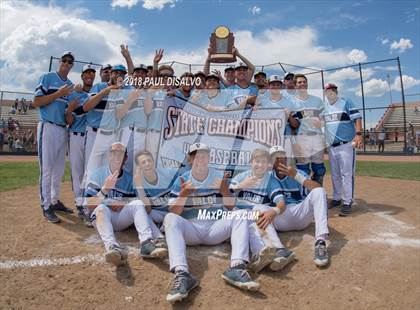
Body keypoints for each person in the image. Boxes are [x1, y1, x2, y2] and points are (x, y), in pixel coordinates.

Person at [164, 143, 260, 303]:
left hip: (214, 228)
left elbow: (230, 206)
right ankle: (181, 274)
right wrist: (184, 195)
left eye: (203, 156)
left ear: (208, 158)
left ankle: (237, 267)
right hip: (191, 229)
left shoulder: (218, 176)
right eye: (196, 156)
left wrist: (224, 190)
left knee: (241, 213)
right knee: (169, 219)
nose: (200, 159)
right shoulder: (183, 179)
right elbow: (173, 212)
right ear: (190, 159)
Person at [85, 142, 167, 267]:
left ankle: (147, 244)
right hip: (102, 218)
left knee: (138, 203)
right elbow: (89, 206)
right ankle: (112, 247)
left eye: (121, 154)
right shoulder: (98, 174)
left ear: (125, 158)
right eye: (114, 153)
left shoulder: (129, 179)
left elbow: (147, 210)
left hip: (120, 219)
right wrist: (104, 191)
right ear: (109, 156)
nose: (117, 156)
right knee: (101, 207)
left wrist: (130, 196)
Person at [255, 145, 329, 267]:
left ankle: (320, 242)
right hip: (279, 218)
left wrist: (296, 176)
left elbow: (318, 188)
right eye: (276, 158)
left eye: (283, 157)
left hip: (299, 215)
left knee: (319, 191)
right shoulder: (267, 176)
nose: (281, 160)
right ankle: (278, 249)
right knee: (258, 208)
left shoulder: (297, 173)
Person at [229, 149, 296, 272]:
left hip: (254, 219)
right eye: (257, 161)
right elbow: (225, 196)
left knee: (260, 213)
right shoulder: (242, 177)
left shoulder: (271, 181)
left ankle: (262, 256)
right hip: (238, 218)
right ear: (251, 162)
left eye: (263, 162)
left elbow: (281, 203)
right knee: (251, 216)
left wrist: (274, 211)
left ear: (268, 165)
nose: (260, 165)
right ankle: (278, 249)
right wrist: (240, 186)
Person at [33, 51, 75, 223]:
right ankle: (46, 205)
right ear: (60, 61)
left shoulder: (71, 85)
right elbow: (37, 102)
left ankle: (55, 200)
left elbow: (68, 117)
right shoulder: (48, 77)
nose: (66, 63)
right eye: (64, 60)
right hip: (48, 126)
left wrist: (70, 110)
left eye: (70, 61)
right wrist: (58, 93)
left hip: (62, 128)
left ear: (72, 65)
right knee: (47, 169)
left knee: (58, 170)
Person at [322, 83, 362, 216]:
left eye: (332, 90)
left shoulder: (346, 102)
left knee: (346, 174)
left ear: (336, 91)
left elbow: (357, 118)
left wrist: (358, 134)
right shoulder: (325, 107)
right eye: (327, 90)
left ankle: (347, 201)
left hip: (346, 144)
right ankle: (337, 198)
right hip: (332, 146)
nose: (330, 92)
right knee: (335, 174)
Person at [83, 64, 127, 180]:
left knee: (107, 170)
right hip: (94, 132)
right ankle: (89, 198)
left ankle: (103, 197)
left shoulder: (124, 92)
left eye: (122, 73)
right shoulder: (99, 87)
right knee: (91, 169)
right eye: (116, 72)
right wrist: (105, 91)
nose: (118, 75)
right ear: (111, 74)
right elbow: (86, 107)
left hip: (112, 134)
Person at [66, 64, 96, 222]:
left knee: (89, 172)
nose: (89, 75)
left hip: (92, 136)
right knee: (77, 172)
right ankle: (80, 205)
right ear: (82, 76)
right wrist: (70, 110)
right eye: (86, 73)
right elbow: (68, 120)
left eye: (92, 72)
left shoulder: (97, 92)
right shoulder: (74, 94)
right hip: (76, 136)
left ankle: (88, 205)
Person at [292, 74, 326, 185]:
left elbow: (325, 119)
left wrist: (321, 123)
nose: (302, 84)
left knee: (319, 169)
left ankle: (317, 192)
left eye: (304, 82)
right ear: (295, 86)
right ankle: (304, 195)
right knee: (303, 170)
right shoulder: (292, 102)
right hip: (302, 137)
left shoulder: (317, 100)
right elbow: (293, 125)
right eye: (299, 82)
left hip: (317, 137)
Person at [134, 150, 177, 227]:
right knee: (143, 214)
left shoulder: (167, 173)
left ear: (153, 162)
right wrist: (139, 186)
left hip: (175, 211)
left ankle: (165, 227)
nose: (147, 164)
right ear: (139, 167)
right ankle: (158, 236)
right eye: (143, 162)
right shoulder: (138, 182)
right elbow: (148, 210)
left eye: (149, 161)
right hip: (158, 214)